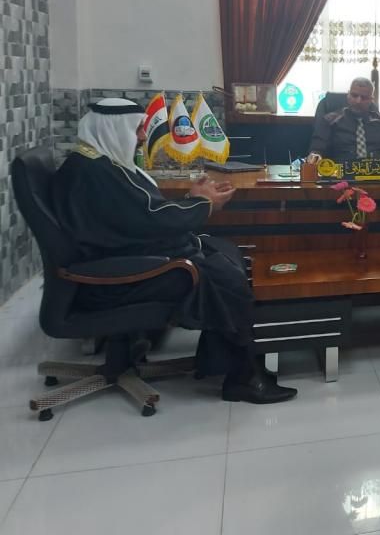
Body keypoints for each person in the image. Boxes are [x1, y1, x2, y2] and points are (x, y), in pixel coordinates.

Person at [52, 98, 297, 405]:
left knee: (225, 252)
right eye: (138, 129)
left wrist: (193, 199)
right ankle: (243, 378)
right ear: (112, 128)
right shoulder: (93, 173)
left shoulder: (95, 164)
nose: (143, 137)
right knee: (222, 276)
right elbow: (150, 218)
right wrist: (203, 203)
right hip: (112, 279)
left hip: (120, 260)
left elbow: (140, 217)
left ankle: (224, 363)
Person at [306, 77, 380, 164]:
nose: (358, 101)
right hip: (341, 173)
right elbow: (317, 149)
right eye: (354, 95)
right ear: (348, 95)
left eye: (364, 97)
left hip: (377, 174)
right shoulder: (330, 120)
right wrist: (315, 156)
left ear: (371, 99)